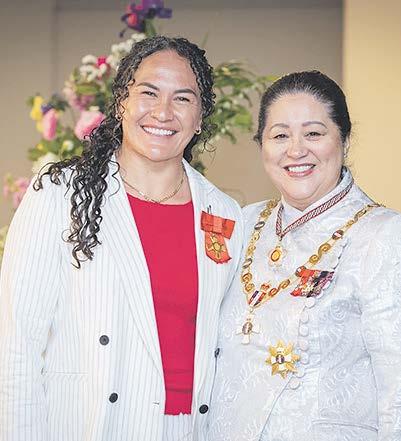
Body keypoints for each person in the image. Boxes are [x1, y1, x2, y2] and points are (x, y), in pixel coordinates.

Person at [0, 36, 243, 441]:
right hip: (90, 424)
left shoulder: (224, 214)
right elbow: (15, 345)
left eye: (183, 99)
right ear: (121, 103)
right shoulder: (60, 194)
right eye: (148, 92)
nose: (163, 112)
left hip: (191, 428)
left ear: (200, 117)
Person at [208, 71, 401, 441]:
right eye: (280, 135)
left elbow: (399, 386)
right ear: (262, 146)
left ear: (344, 139)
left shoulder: (384, 235)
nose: (296, 150)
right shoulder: (243, 223)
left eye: (313, 133)